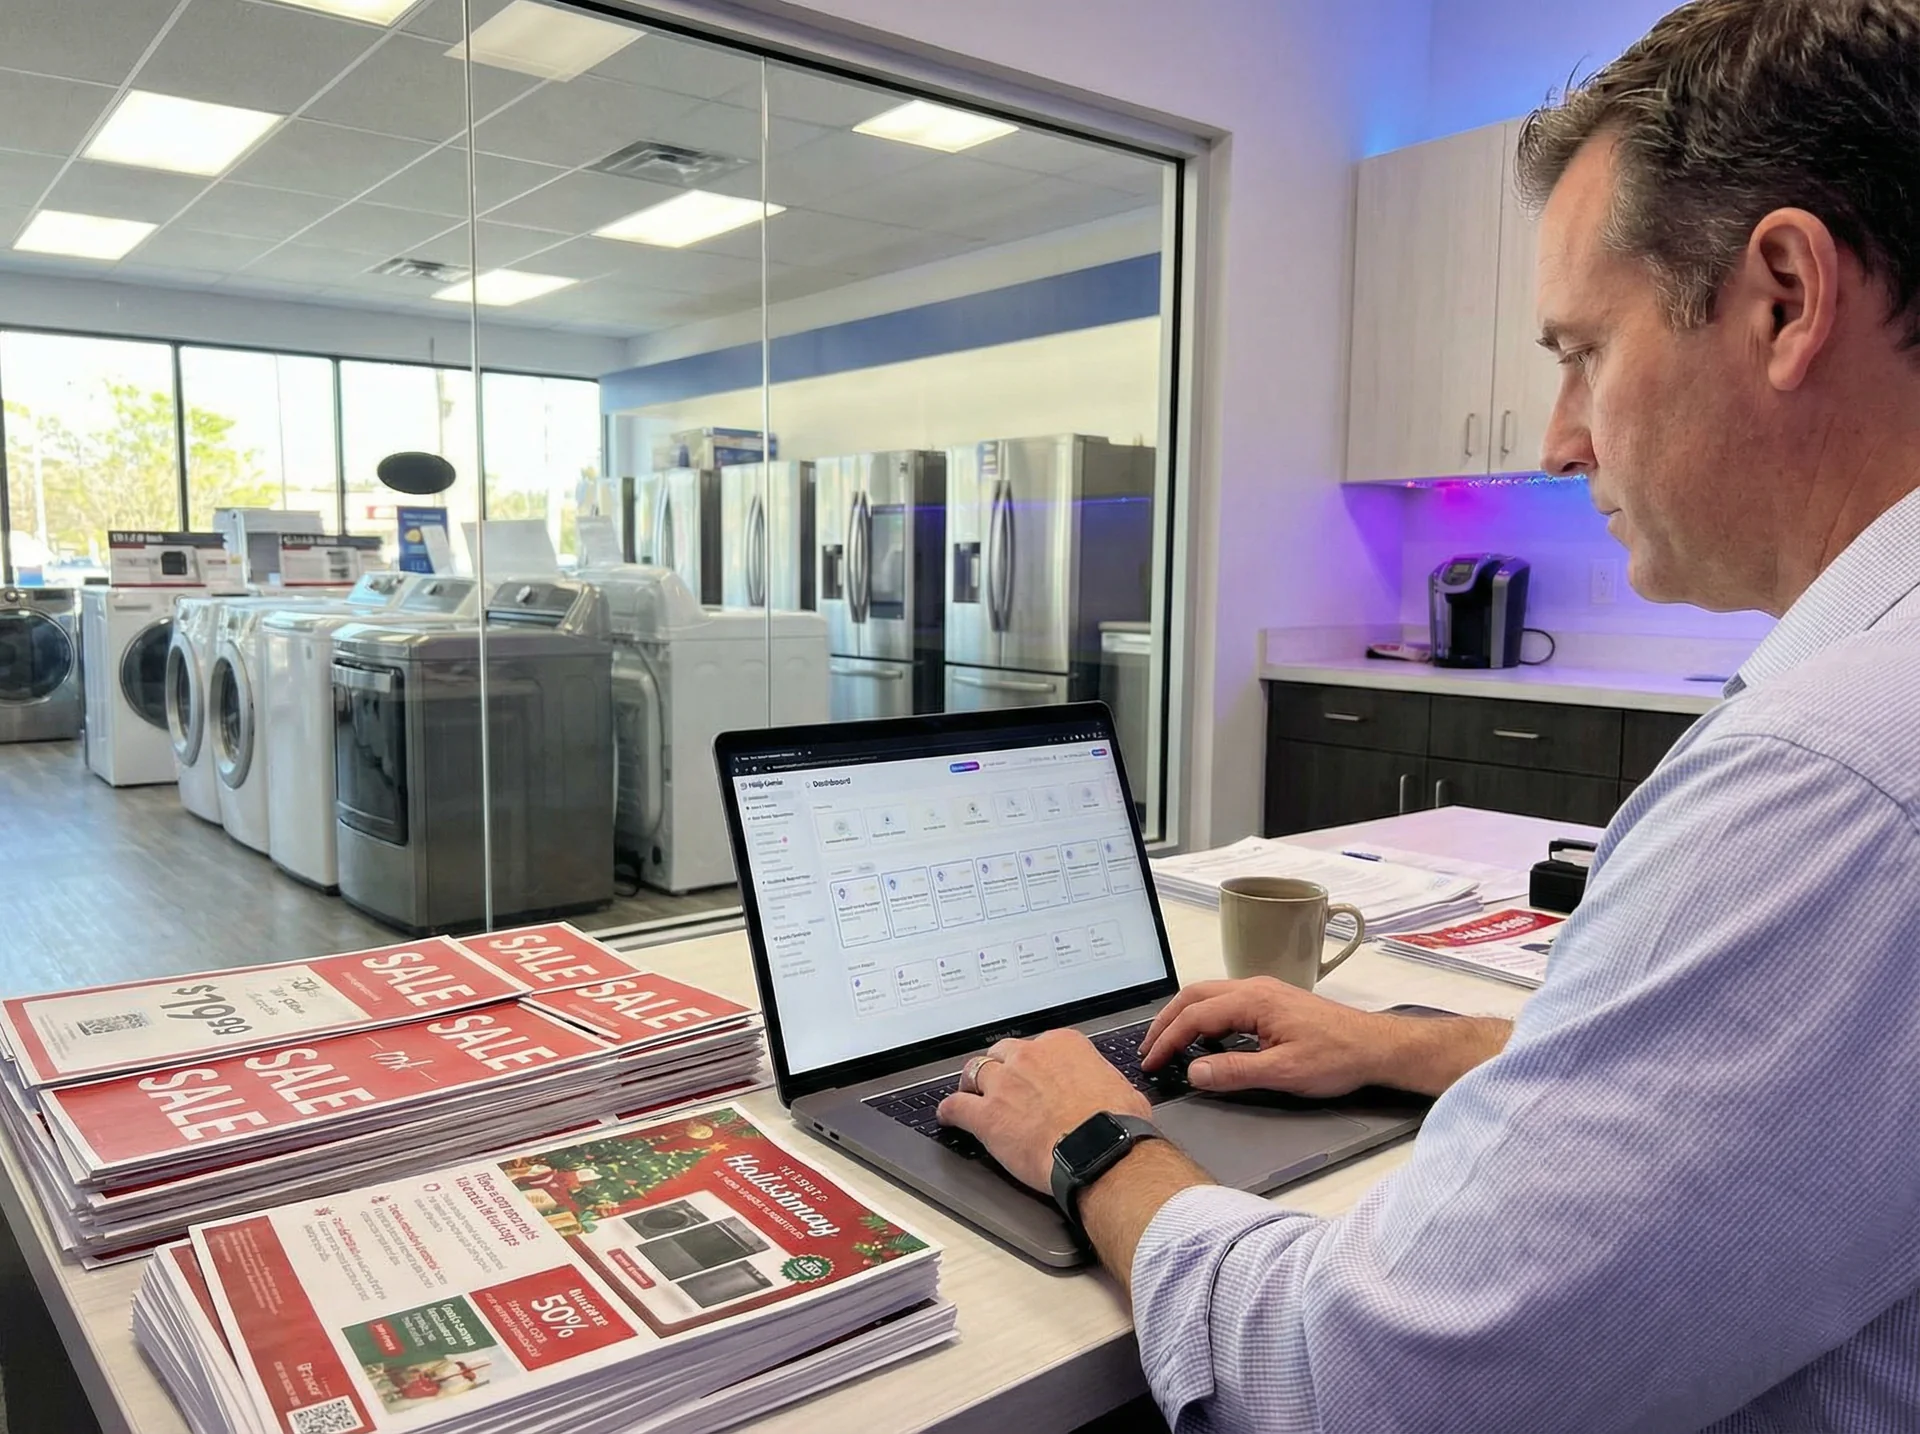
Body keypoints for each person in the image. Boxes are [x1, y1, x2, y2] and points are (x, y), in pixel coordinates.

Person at [935, 1, 1920, 1428]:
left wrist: (1095, 1143)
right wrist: (1399, 1042)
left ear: (1781, 295)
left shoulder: (1829, 778)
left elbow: (1365, 1381)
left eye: (1582, 348)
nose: (1559, 435)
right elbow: (1783, 1101)